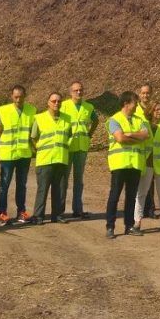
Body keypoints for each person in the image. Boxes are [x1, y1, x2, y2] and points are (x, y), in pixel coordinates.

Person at [104, 91, 150, 238]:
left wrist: (129, 134)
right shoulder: (114, 120)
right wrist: (135, 137)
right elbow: (120, 138)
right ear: (126, 104)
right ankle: (110, 227)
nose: (137, 106)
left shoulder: (139, 119)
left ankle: (129, 226)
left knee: (131, 197)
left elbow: (145, 135)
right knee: (114, 196)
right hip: (119, 164)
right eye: (135, 104)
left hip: (135, 164)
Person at [0, 84, 36, 225]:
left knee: (22, 184)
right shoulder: (3, 110)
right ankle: (2, 213)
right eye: (16, 97)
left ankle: (21, 212)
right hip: (8, 154)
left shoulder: (32, 110)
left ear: (25, 96)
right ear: (12, 96)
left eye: (21, 97)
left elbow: (32, 131)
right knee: (4, 184)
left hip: (24, 153)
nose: (18, 99)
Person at [29, 92, 70, 224]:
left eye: (59, 101)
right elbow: (33, 137)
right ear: (48, 102)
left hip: (61, 159)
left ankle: (57, 215)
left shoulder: (67, 119)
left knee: (60, 189)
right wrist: (40, 149)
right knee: (43, 189)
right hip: (45, 160)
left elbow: (68, 136)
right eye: (54, 101)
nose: (56, 103)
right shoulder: (40, 118)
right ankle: (38, 216)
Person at [60, 81, 98, 220]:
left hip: (82, 146)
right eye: (76, 90)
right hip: (68, 146)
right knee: (63, 179)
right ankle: (60, 210)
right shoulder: (63, 105)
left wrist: (89, 134)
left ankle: (78, 209)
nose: (79, 92)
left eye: (81, 90)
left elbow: (95, 120)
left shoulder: (88, 107)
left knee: (78, 179)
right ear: (70, 92)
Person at [134, 99, 160, 232]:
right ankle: (137, 222)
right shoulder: (144, 124)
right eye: (156, 109)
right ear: (150, 111)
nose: (159, 112)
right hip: (146, 163)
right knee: (142, 193)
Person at [134, 83, 157, 218]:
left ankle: (150, 208)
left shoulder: (154, 109)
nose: (145, 95)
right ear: (139, 94)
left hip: (151, 149)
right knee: (138, 180)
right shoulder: (135, 109)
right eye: (143, 93)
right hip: (138, 148)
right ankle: (137, 209)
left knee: (150, 179)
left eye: (148, 93)